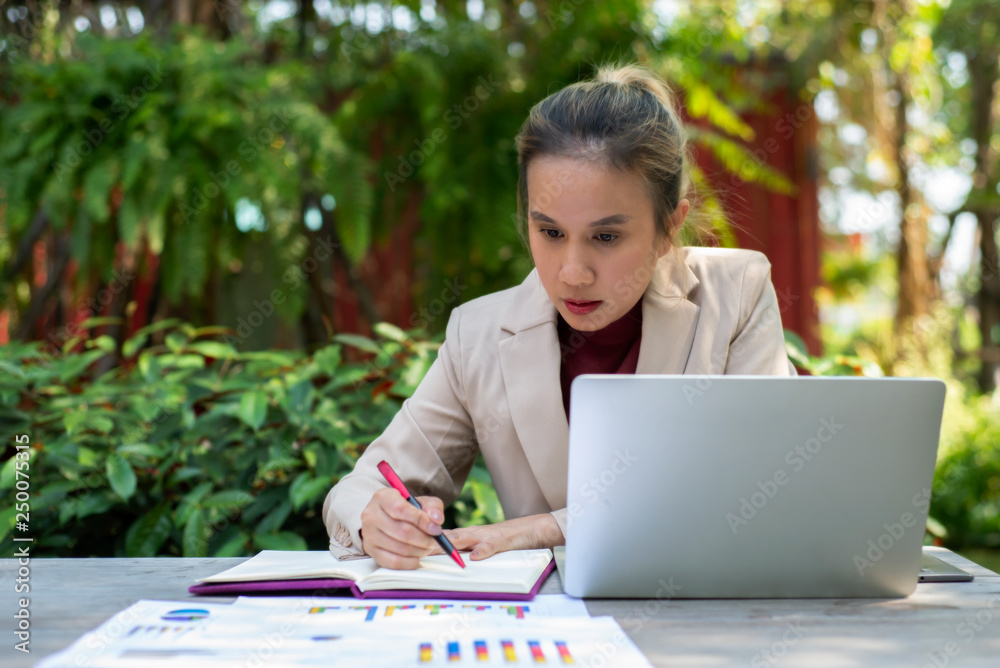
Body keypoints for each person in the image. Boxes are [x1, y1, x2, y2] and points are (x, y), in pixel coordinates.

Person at [322, 61, 797, 569]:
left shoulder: (736, 295)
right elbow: (360, 488)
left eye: (606, 237)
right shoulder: (477, 334)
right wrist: (377, 521)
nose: (572, 273)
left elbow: (762, 485)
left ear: (669, 226)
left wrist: (543, 529)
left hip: (701, 620)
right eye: (550, 232)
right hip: (543, 634)